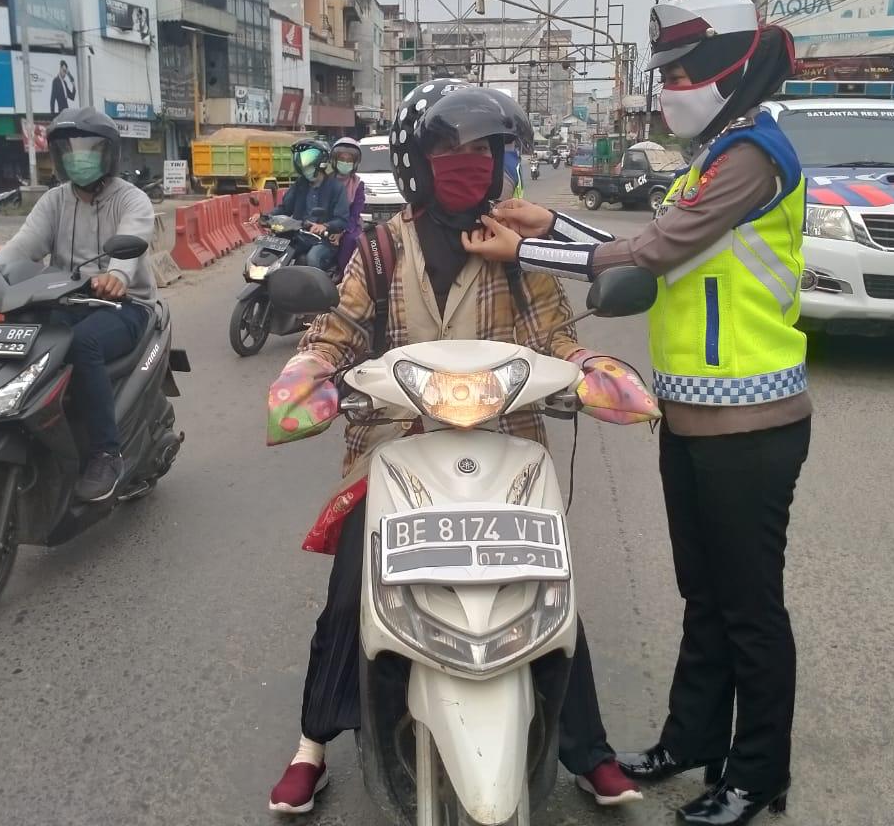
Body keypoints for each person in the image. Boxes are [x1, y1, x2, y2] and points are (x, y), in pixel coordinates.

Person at [464, 0, 810, 826]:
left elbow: (652, 251)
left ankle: (759, 771)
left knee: (749, 606)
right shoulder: (713, 155)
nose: (669, 87)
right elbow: (638, 245)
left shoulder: (751, 157)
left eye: (682, 70)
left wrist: (533, 244)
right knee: (704, 591)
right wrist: (551, 219)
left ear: (729, 66)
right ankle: (693, 739)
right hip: (691, 413)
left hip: (752, 423)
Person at [266, 80, 659, 816]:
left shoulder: (516, 246)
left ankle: (587, 750)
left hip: (506, 447)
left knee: (549, 591)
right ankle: (313, 744)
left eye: (482, 149)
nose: (467, 163)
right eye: (449, 150)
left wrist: (591, 372)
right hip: (395, 449)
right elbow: (336, 333)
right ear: (419, 161)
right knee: (351, 587)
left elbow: (557, 338)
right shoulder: (382, 249)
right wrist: (308, 375)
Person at [0, 107, 156, 502]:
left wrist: (117, 275)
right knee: (16, 330)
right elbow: (23, 246)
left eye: (88, 149)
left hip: (124, 306)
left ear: (109, 153)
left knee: (82, 344)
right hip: (65, 299)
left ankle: (106, 453)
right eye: (68, 150)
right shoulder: (54, 201)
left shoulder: (132, 199)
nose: (78, 157)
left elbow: (133, 237)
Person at [269, 139, 349, 273]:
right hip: (299, 236)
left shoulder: (336, 188)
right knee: (275, 254)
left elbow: (342, 219)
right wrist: (266, 217)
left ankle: (317, 292)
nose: (306, 170)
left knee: (312, 258)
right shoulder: (300, 185)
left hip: (324, 240)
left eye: (309, 165)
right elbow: (284, 208)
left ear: (321, 162)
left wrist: (325, 226)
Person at [329, 136, 364, 275]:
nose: (345, 163)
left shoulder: (358, 184)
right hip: (326, 222)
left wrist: (340, 232)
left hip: (349, 225)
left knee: (350, 240)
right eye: (342, 159)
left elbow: (355, 213)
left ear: (355, 163)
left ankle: (344, 274)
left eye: (349, 161)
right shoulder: (326, 181)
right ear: (334, 160)